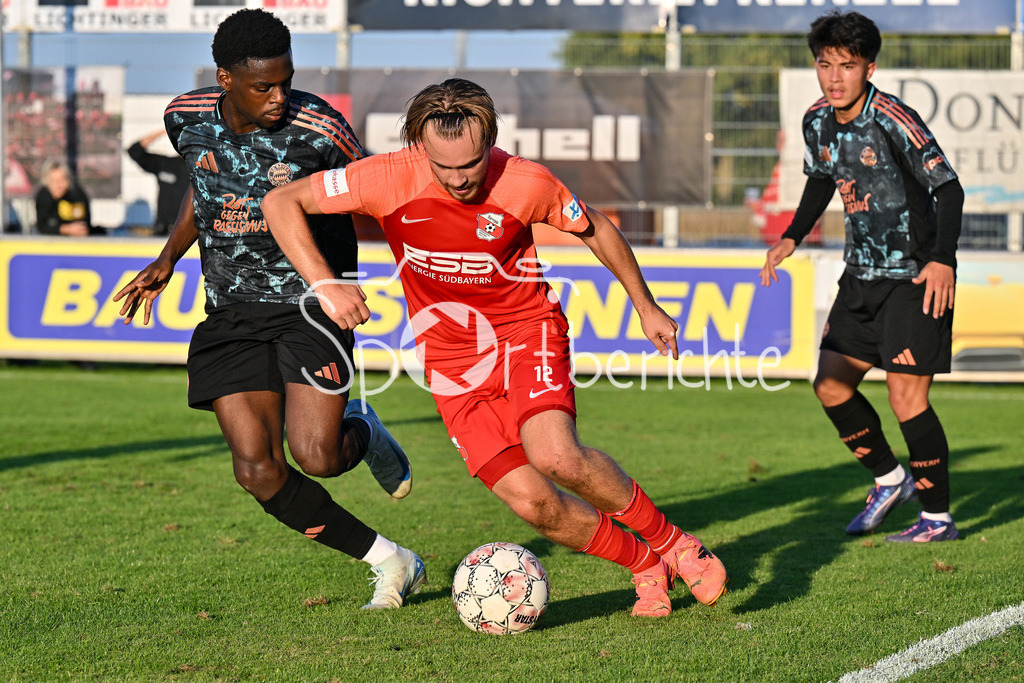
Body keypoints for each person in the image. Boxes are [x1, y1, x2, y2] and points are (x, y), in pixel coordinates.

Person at [262, 77, 729, 618]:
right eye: (445, 168)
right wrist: (326, 282)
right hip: (451, 360)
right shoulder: (387, 177)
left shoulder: (524, 182)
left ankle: (674, 544)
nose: (461, 180)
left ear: (490, 143)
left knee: (557, 457)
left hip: (525, 331)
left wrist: (644, 304)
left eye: (472, 164)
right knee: (532, 502)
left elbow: (596, 227)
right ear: (420, 149)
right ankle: (644, 565)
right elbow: (280, 201)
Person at [110, 8, 425, 609]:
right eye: (264, 86)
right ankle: (392, 560)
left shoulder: (321, 129)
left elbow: (368, 195)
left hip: (311, 306)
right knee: (256, 471)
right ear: (225, 78)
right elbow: (203, 190)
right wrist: (168, 258)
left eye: (286, 80)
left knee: (318, 456)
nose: (280, 96)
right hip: (231, 312)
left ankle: (363, 430)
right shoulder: (185, 118)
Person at [760, 11, 964, 542]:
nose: (833, 77)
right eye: (824, 65)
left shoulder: (895, 117)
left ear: (868, 68)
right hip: (861, 277)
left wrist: (943, 259)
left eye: (846, 66)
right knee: (829, 384)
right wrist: (792, 235)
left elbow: (949, 189)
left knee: (906, 400)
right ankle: (890, 480)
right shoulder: (816, 120)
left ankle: (937, 518)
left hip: (915, 279)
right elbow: (820, 180)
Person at [126, 130, 191, 236]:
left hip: (189, 234)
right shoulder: (165, 164)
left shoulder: (201, 168)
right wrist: (164, 131)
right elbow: (134, 151)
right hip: (163, 230)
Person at [35, 162, 94, 236]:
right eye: (54, 181)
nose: (58, 185)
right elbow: (42, 226)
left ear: (68, 180)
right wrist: (66, 229)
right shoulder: (43, 197)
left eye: (62, 180)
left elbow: (83, 226)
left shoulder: (76, 195)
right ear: (47, 182)